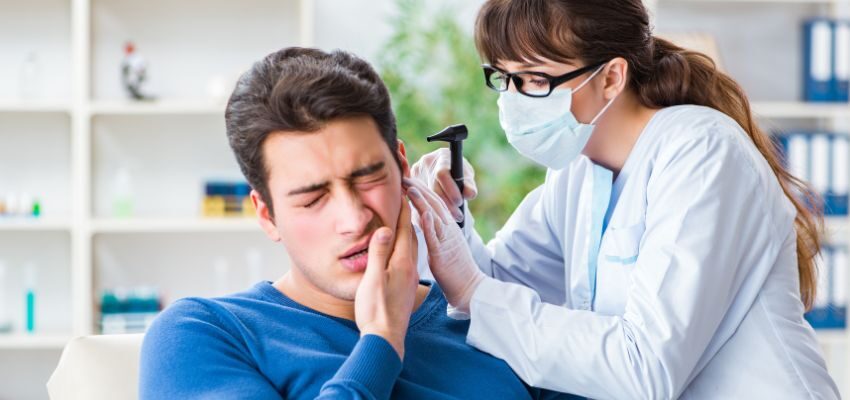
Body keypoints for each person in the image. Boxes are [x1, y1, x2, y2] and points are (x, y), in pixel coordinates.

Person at [407, 0, 840, 398]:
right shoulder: (576, 170)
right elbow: (496, 285)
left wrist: (475, 292)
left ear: (611, 76)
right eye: (504, 78)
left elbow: (645, 368)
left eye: (535, 79)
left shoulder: (702, 153)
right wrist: (447, 218)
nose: (513, 101)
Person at [139, 47, 577, 400]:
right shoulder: (203, 334)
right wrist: (381, 341)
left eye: (368, 178)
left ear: (402, 166)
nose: (354, 220)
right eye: (313, 199)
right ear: (267, 215)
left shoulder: (495, 318)